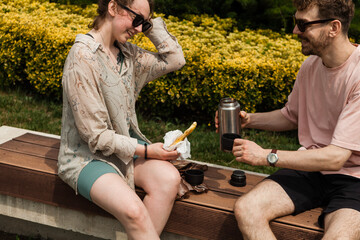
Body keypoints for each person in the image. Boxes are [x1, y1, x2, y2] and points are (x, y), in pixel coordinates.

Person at [215, 0, 360, 239]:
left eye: (303, 24)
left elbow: (336, 158)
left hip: (354, 177)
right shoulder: (310, 66)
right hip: (311, 170)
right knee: (247, 209)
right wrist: (248, 120)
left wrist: (267, 156)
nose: (295, 31)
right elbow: (290, 116)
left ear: (333, 27)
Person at [57, 0, 186, 238]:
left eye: (143, 24)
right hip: (85, 157)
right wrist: (148, 152)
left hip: (124, 150)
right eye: (136, 20)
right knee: (135, 212)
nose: (138, 29)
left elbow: (175, 60)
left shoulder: (128, 55)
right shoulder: (82, 57)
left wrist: (147, 25)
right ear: (113, 7)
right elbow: (95, 137)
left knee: (169, 178)